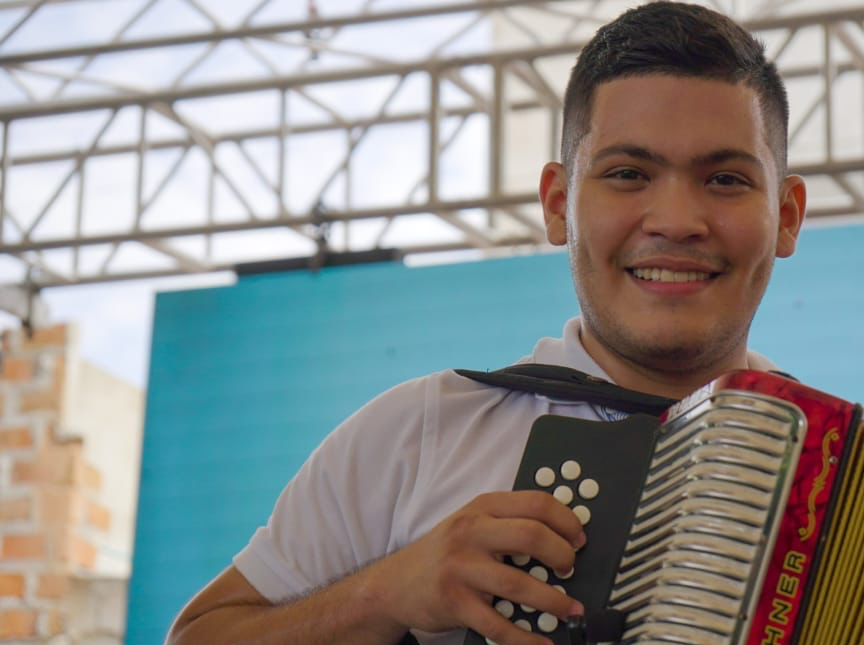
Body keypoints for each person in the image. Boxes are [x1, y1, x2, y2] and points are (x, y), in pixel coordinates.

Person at [166, 3, 806, 645]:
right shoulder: (419, 435)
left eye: (725, 179)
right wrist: (386, 594)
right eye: (628, 175)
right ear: (559, 206)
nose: (675, 220)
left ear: (786, 216)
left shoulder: (850, 483)